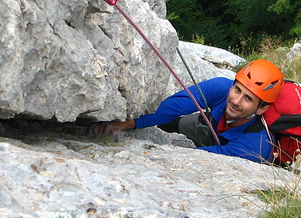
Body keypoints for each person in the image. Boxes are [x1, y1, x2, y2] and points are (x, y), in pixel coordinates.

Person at [89, 59, 284, 163]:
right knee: (175, 122)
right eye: (237, 89)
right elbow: (174, 105)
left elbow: (203, 156)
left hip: (228, 146)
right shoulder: (221, 88)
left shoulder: (255, 145)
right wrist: (126, 124)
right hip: (211, 124)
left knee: (187, 134)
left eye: (248, 99)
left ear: (262, 109)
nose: (235, 100)